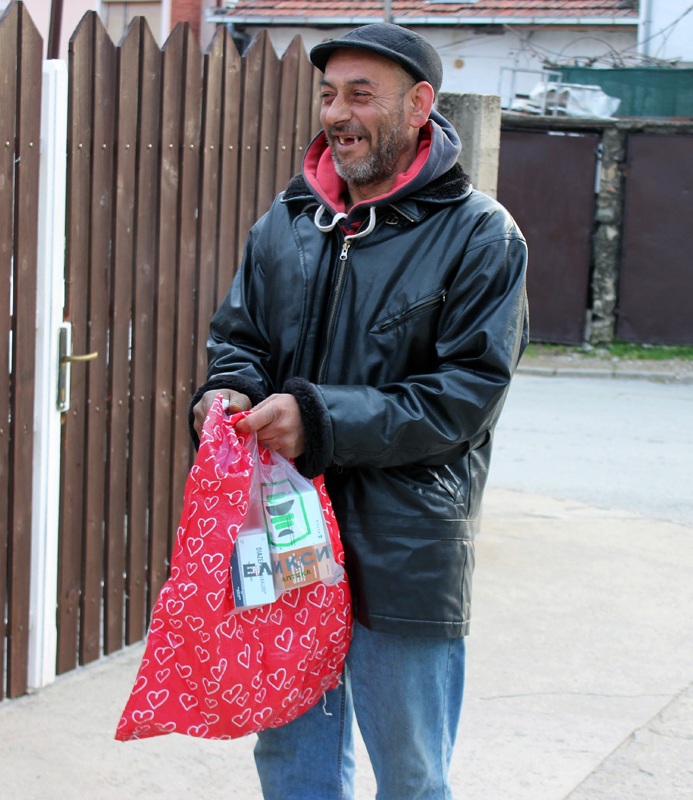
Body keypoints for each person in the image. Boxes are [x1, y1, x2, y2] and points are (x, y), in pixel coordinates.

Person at [190, 23, 528, 799]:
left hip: (406, 548)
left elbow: (464, 397)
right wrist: (228, 391)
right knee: (290, 758)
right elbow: (238, 341)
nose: (335, 112)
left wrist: (316, 418)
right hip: (284, 539)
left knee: (409, 772)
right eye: (327, 94)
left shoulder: (481, 235)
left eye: (359, 95)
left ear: (419, 105)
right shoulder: (286, 224)